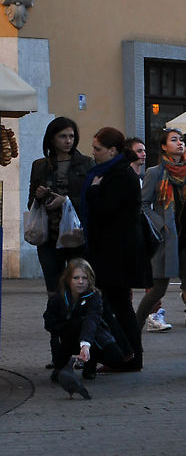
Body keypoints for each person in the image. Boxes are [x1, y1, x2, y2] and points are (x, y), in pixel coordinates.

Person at [82, 126, 151, 372]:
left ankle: (130, 357)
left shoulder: (119, 175)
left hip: (117, 254)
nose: (94, 153)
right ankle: (126, 355)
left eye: (98, 149)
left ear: (112, 151)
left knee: (118, 306)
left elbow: (105, 210)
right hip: (114, 252)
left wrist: (94, 190)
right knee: (117, 305)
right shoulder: (113, 171)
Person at [137, 128, 186, 352]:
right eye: (174, 140)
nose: (180, 143)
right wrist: (160, 224)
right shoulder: (154, 173)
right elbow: (143, 204)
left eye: (181, 140)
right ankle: (133, 329)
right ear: (164, 146)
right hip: (166, 239)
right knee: (158, 290)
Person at [28, 117, 94, 297]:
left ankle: (78, 322)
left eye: (71, 136)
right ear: (51, 139)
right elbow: (31, 202)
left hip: (76, 234)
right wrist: (39, 197)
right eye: (62, 136)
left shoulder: (86, 164)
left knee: (79, 284)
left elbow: (92, 200)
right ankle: (58, 323)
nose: (68, 141)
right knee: (53, 288)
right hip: (48, 235)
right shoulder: (39, 166)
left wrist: (66, 201)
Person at [43, 258, 129, 381]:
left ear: (90, 280)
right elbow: (49, 322)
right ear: (68, 279)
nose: (80, 281)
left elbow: (92, 320)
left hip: (90, 337)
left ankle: (90, 362)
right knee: (76, 324)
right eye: (76, 278)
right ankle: (62, 366)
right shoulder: (58, 298)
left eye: (84, 278)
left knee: (115, 358)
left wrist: (85, 345)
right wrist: (66, 328)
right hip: (64, 338)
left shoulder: (94, 297)